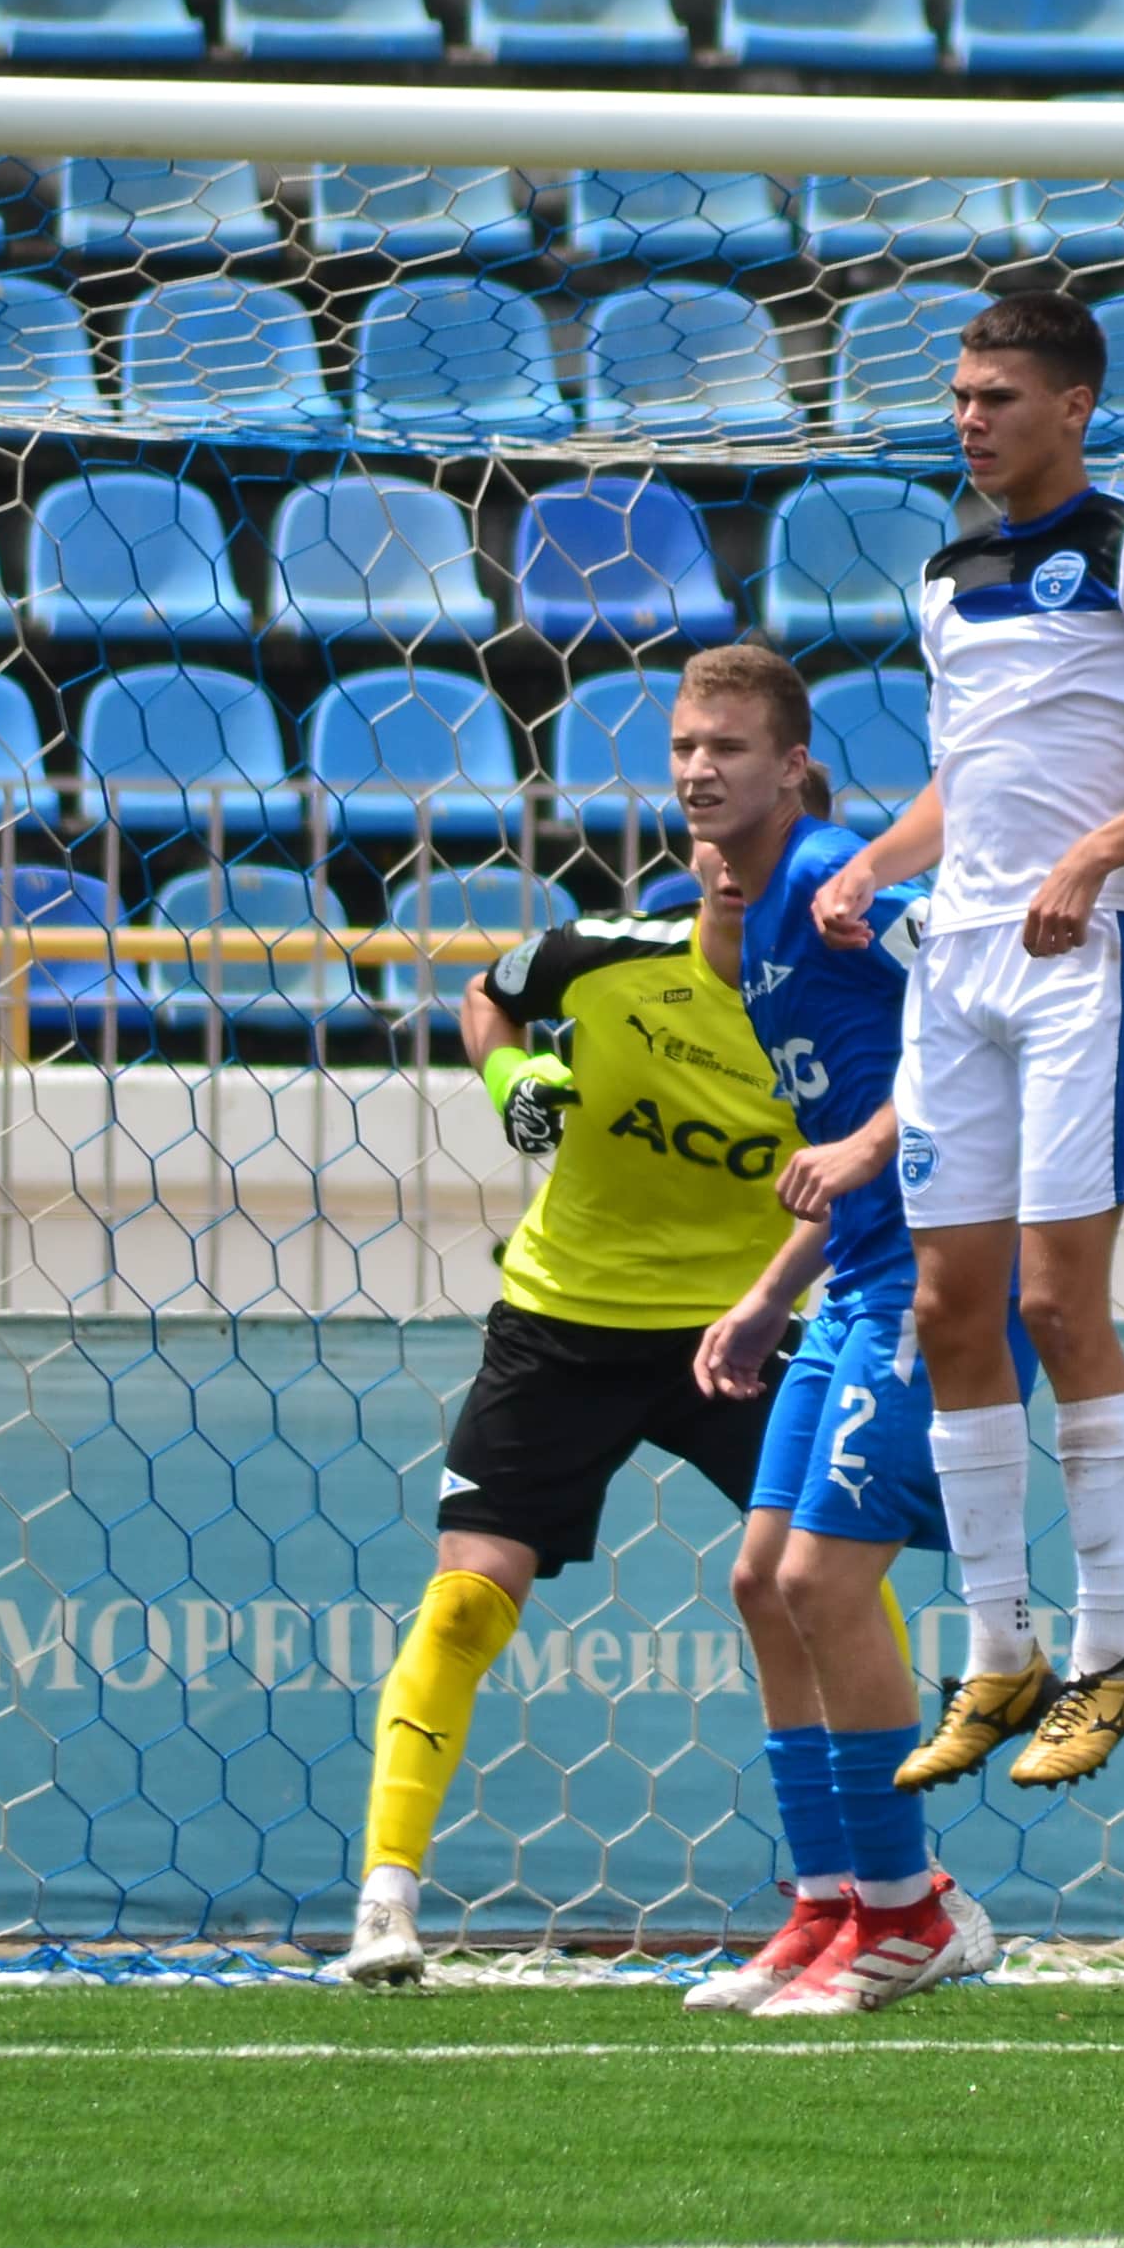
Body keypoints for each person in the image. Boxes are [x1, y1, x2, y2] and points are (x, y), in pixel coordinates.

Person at [809, 292, 1124, 1795]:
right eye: (959, 395)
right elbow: (968, 776)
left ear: (1073, 405)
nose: (971, 419)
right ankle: (999, 1650)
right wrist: (877, 863)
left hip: (1090, 958)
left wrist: (1092, 862)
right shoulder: (946, 579)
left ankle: (1108, 1656)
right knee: (952, 1308)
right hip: (962, 963)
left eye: (999, 395)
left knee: (1060, 1301)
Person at [344, 826, 811, 1988]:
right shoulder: (592, 956)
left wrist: (767, 1303)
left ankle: (863, 1898)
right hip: (562, 1322)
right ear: (694, 857)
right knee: (463, 1601)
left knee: (819, 1589)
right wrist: (515, 1076)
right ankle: (384, 1903)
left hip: (739, 1332)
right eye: (715, 836)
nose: (736, 859)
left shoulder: (844, 1006)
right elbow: (481, 999)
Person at [671, 645, 1008, 2019]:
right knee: (762, 1583)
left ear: (794, 765)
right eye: (686, 746)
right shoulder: (748, 915)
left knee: (820, 1583)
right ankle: (825, 1910)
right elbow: (843, 1136)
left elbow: (987, 1010)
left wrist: (871, 1141)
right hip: (856, 1277)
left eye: (730, 749)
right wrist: (766, 1290)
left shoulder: (827, 883)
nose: (699, 770)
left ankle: (914, 1911)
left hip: (939, 1279)